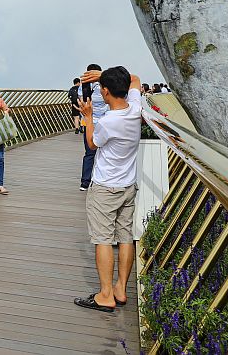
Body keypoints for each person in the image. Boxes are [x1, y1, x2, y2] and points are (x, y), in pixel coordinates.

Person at [74, 66, 142, 313]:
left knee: (102, 239)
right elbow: (135, 78)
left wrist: (89, 117)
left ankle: (105, 295)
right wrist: (102, 74)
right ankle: (121, 288)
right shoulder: (135, 108)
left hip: (105, 187)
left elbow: (92, 144)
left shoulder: (109, 121)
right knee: (125, 236)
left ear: (105, 91)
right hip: (128, 185)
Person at [80, 63, 108, 192]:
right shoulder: (106, 86)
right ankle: (101, 180)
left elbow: (81, 102)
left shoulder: (84, 86)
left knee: (89, 153)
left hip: (90, 122)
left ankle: (85, 182)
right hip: (104, 123)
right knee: (105, 152)